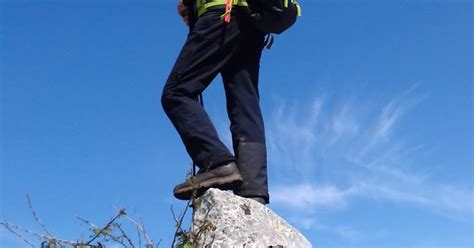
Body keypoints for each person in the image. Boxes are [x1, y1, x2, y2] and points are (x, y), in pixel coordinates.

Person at [161, 0, 269, 205]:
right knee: (245, 105)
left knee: (176, 92)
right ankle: (254, 190)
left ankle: (216, 163)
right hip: (252, 21)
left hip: (220, 13)